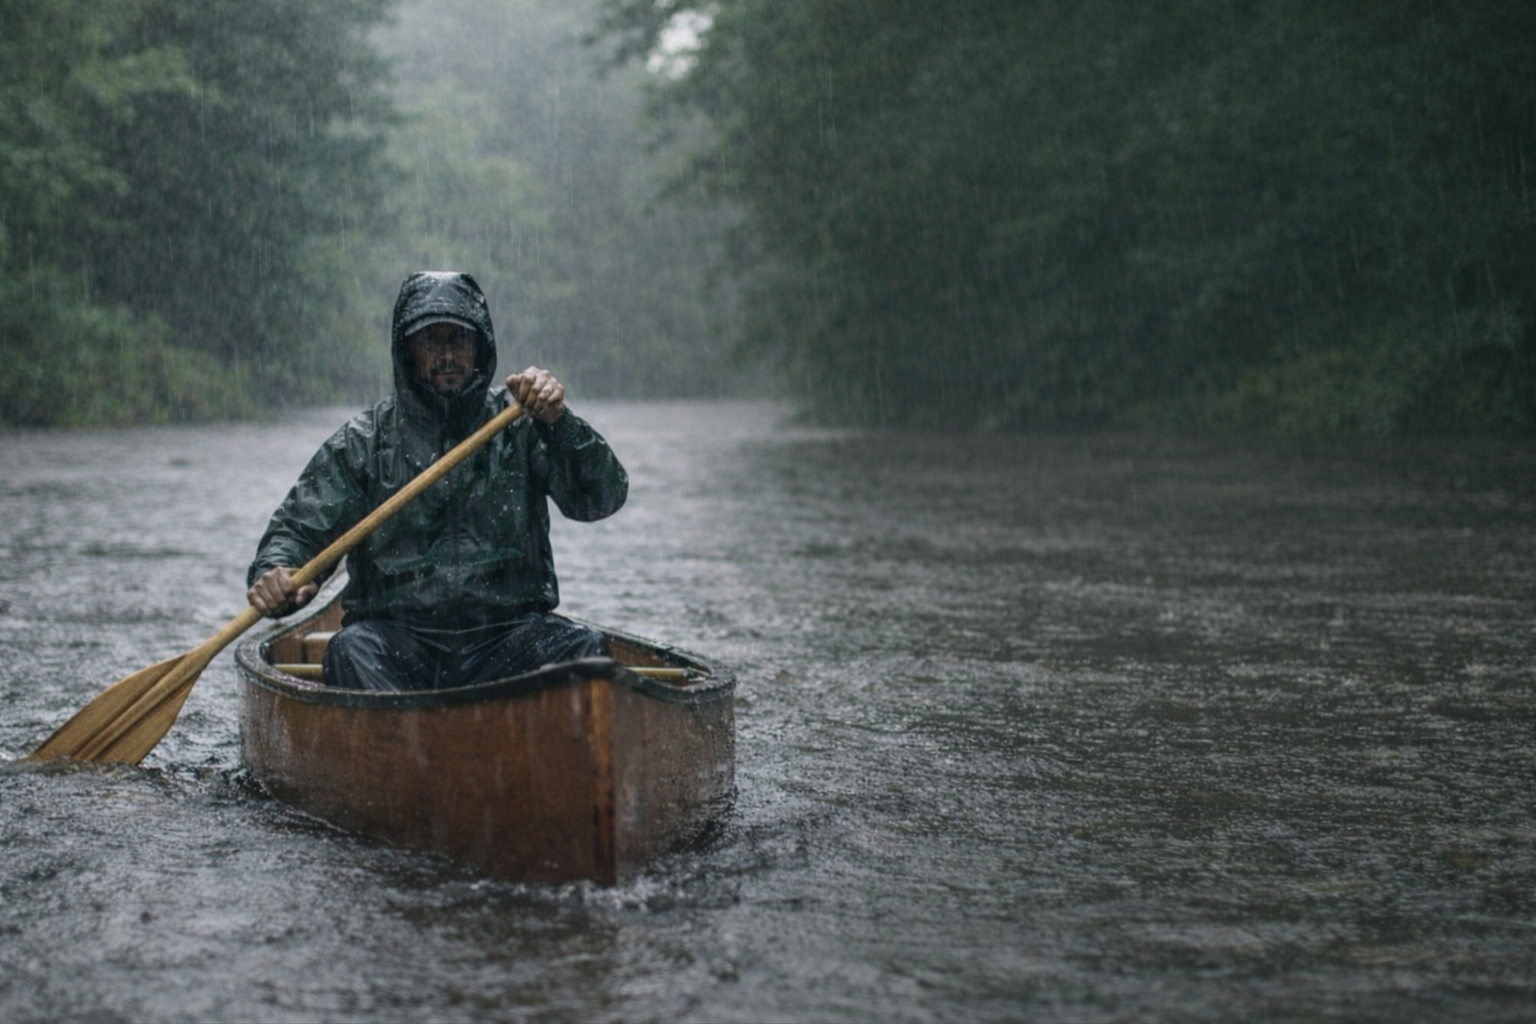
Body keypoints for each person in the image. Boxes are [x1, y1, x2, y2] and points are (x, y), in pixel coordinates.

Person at [246, 271, 628, 691]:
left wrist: (560, 424)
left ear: (479, 349)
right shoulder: (363, 442)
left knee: (584, 648)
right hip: (399, 642)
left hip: (507, 638)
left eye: (459, 340)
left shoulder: (522, 422)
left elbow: (602, 497)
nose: (447, 355)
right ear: (409, 352)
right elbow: (296, 532)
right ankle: (398, 749)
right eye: (432, 341)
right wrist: (275, 573)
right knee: (350, 651)